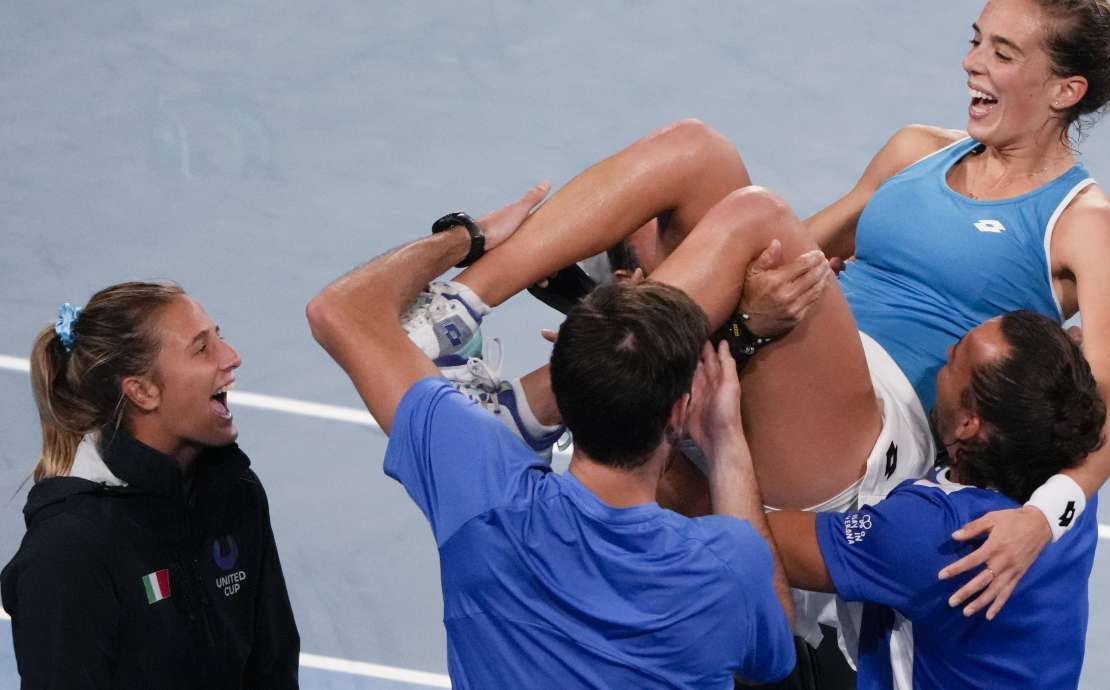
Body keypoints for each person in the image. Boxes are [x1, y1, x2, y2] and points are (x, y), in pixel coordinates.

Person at [400, 0, 1110, 622]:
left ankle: (524, 412)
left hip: (869, 438)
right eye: (976, 41)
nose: (972, 62)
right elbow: (776, 246)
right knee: (698, 151)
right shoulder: (917, 151)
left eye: (1003, 54)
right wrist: (666, 287)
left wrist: (1043, 520)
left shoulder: (1084, 224)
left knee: (750, 216)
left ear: (1065, 90)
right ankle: (454, 310)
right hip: (792, 361)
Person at [305, 187, 797, 689]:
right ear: (678, 412)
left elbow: (340, 309)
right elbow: (773, 655)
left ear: (561, 388)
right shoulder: (727, 564)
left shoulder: (482, 488)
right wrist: (728, 446)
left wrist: (468, 236)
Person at [766, 310, 1107, 689]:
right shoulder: (1073, 487)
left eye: (955, 358)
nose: (945, 352)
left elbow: (759, 540)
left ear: (968, 424)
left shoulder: (938, 535)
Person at [1, 282, 300, 689]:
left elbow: (273, 668)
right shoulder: (68, 551)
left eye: (220, 337)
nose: (232, 357)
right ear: (142, 391)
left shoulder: (236, 492)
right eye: (202, 348)